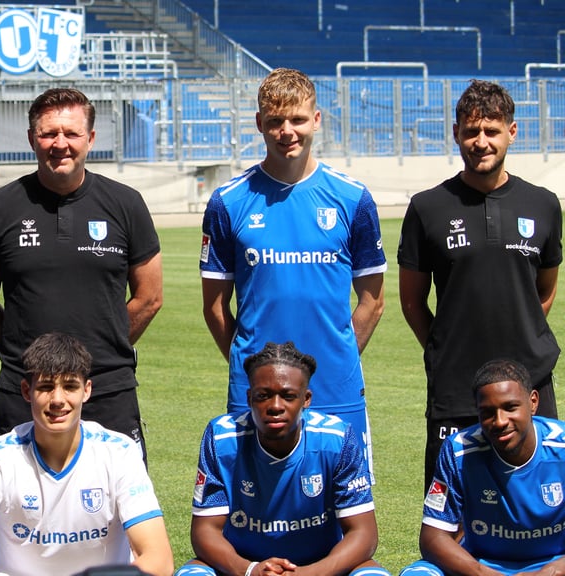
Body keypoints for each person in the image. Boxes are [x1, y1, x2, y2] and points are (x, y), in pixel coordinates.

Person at [200, 68, 386, 477]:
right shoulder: (228, 202)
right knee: (254, 509)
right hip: (257, 391)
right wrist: (250, 365)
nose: (287, 131)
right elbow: (214, 307)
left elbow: (372, 301)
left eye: (298, 120)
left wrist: (336, 356)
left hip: (336, 385)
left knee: (347, 511)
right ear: (259, 125)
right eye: (275, 122)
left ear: (316, 120)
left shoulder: (352, 198)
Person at [0, 88, 163, 455]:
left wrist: (103, 349)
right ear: (31, 139)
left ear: (90, 138)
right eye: (48, 133)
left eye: (71, 134)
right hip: (25, 390)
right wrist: (26, 358)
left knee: (120, 511)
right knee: (19, 509)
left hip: (108, 389)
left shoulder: (126, 204)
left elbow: (150, 297)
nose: (60, 144)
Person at [398, 79, 562, 491]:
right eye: (471, 131)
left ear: (512, 131)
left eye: (491, 130)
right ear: (456, 134)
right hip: (456, 388)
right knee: (449, 514)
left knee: (542, 501)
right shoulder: (427, 207)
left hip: (531, 382)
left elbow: (544, 291)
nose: (481, 141)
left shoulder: (543, 204)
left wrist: (517, 337)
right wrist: (446, 348)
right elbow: (413, 302)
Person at [0, 333, 174, 576]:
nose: (58, 399)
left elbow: (159, 560)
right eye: (46, 387)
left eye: (70, 386)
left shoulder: (119, 453)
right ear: (27, 391)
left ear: (86, 390)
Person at [175, 342, 388, 576]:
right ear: (249, 398)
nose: (275, 406)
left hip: (320, 566)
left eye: (288, 396)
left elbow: (363, 533)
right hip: (244, 565)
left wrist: (305, 574)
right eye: (263, 396)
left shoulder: (337, 439)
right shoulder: (221, 438)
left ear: (306, 399)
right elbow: (205, 531)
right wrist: (250, 570)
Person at [400, 359, 565, 576]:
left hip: (553, 565)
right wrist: (483, 573)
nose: (499, 421)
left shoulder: (561, 446)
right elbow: (433, 537)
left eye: (510, 407)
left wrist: (552, 571)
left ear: (533, 402)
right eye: (487, 412)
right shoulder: (459, 451)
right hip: (482, 566)